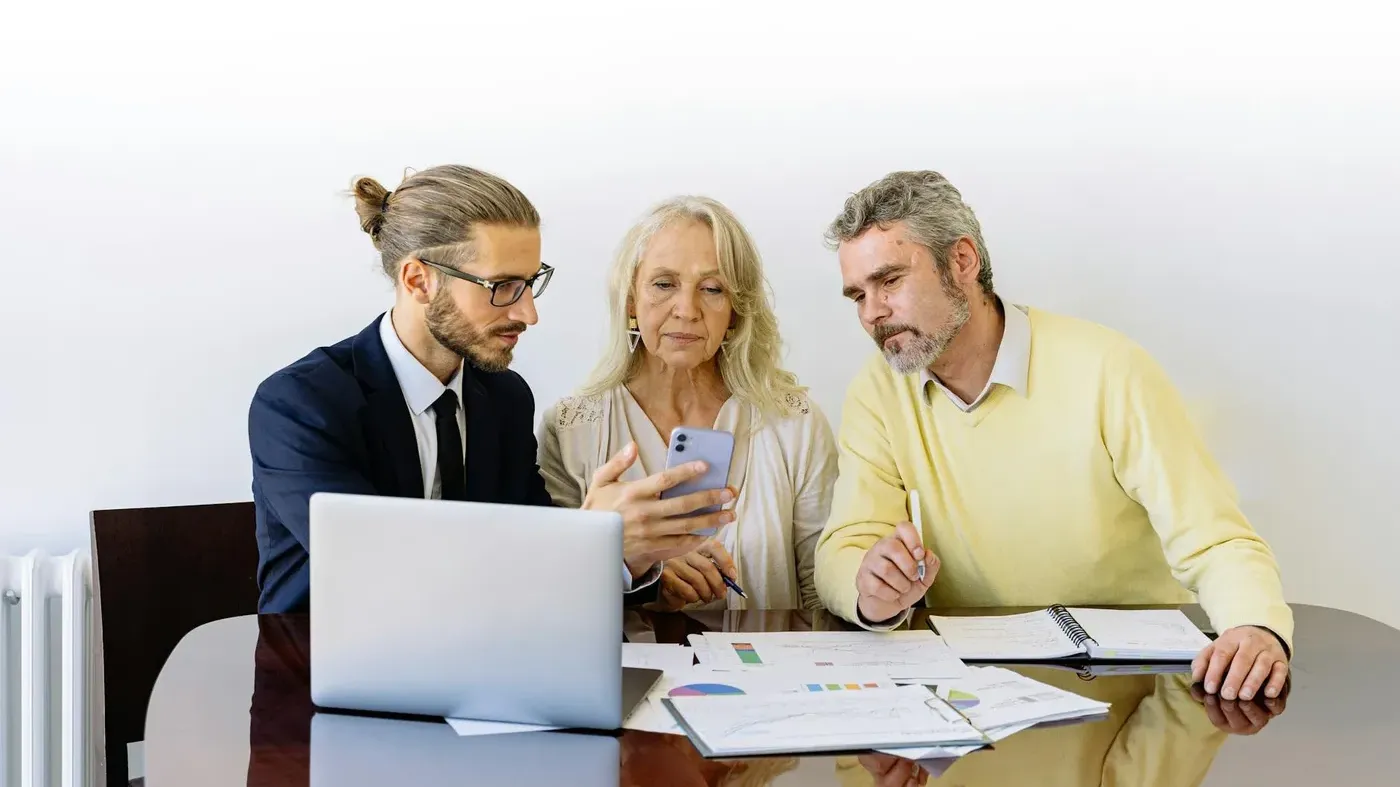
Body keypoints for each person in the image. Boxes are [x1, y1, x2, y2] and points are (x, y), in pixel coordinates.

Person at [814, 170, 1294, 703]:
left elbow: (1215, 538)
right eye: (857, 295)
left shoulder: (1109, 369)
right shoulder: (879, 390)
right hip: (967, 702)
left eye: (890, 281)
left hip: (1129, 690)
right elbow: (845, 545)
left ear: (962, 262)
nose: (872, 313)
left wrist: (1255, 626)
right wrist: (870, 585)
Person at [247, 165, 729, 613]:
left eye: (529, 283)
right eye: (501, 287)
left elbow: (540, 569)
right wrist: (592, 540)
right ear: (419, 281)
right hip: (318, 677)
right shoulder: (300, 405)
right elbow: (382, 578)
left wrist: (631, 556)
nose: (527, 314)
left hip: (483, 671)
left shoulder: (504, 399)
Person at [538, 196, 838, 610]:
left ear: (735, 310)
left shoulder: (794, 424)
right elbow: (554, 596)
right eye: (664, 284)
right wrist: (635, 563)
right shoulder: (572, 428)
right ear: (630, 300)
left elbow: (822, 591)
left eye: (712, 289)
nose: (686, 309)